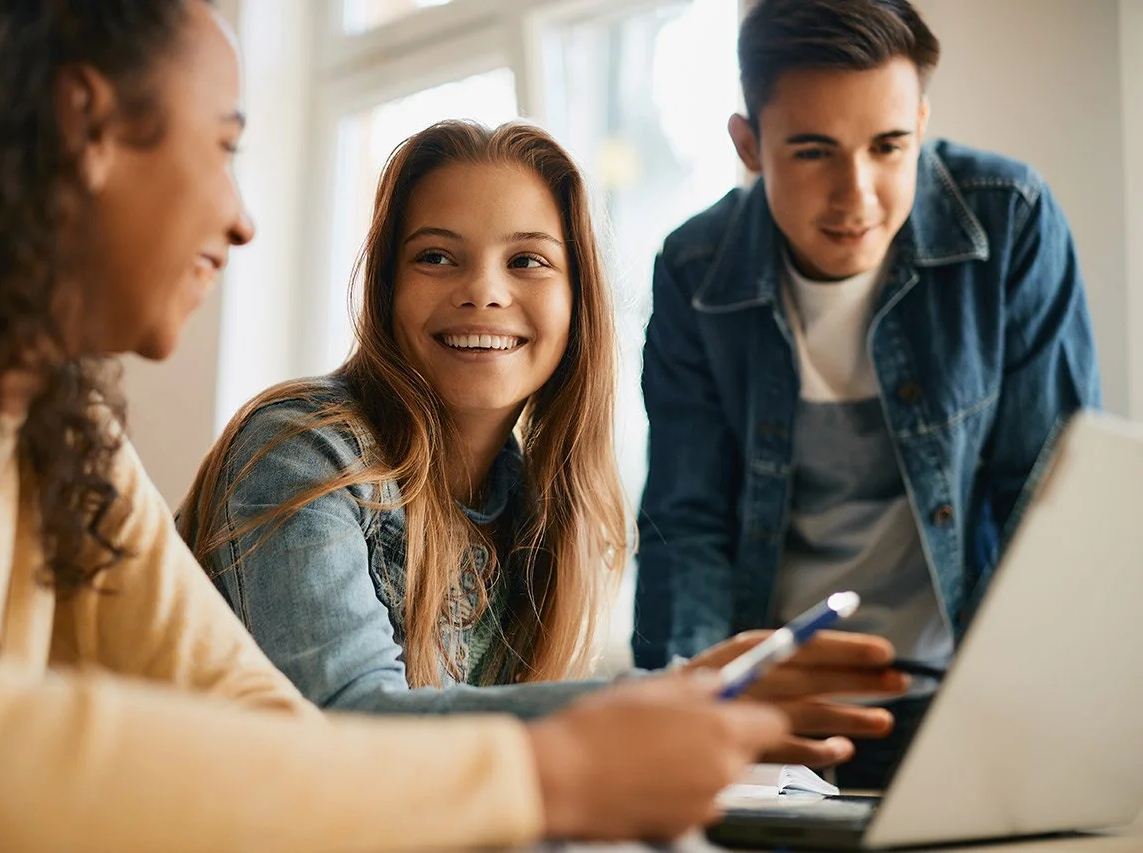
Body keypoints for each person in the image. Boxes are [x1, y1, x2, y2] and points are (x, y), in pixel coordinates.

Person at [0, 2, 795, 849]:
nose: (242, 220)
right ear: (88, 125)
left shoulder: (64, 438)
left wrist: (666, 711)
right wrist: (556, 767)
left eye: (529, 260)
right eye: (225, 147)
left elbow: (263, 717)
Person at [178, 119, 905, 767]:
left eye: (527, 260)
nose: (484, 291)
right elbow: (347, 723)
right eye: (436, 257)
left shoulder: (540, 509)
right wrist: (663, 699)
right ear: (386, 289)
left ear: (576, 300)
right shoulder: (302, 450)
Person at [633, 0, 1100, 788]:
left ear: (921, 120)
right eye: (814, 152)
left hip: (970, 704)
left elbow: (1045, 495)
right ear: (748, 146)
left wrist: (1047, 714)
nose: (858, 195)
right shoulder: (693, 268)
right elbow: (688, 524)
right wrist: (693, 719)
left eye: (890, 147)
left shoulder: (1011, 222)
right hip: (779, 716)